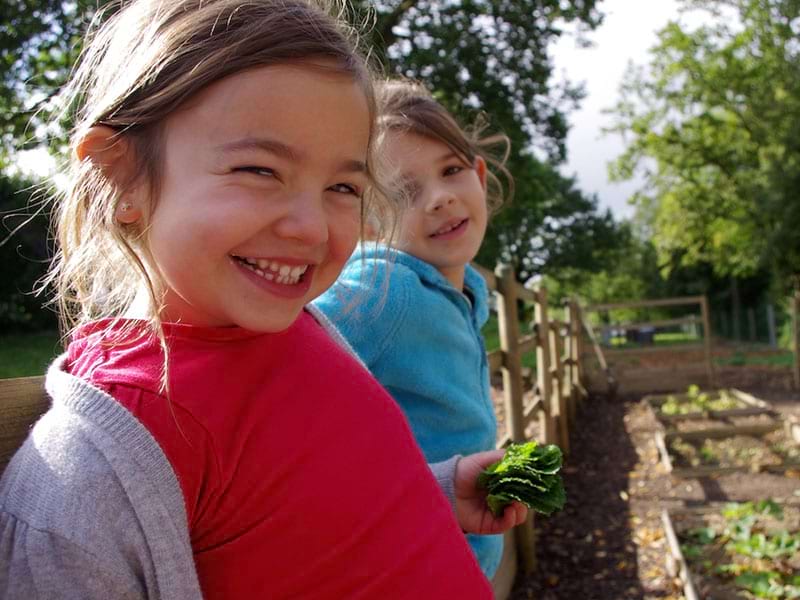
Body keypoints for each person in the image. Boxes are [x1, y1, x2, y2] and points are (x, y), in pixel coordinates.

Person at [0, 2, 525, 598]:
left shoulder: (300, 331)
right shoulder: (96, 459)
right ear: (122, 178)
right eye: (258, 169)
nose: (311, 227)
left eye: (342, 187)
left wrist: (434, 490)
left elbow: (303, 503)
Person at [313, 77, 515, 579]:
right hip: (409, 565)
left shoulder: (465, 289)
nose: (440, 198)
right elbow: (282, 350)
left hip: (463, 555)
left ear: (480, 174)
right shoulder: (381, 288)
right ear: (367, 222)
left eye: (451, 170)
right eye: (404, 192)